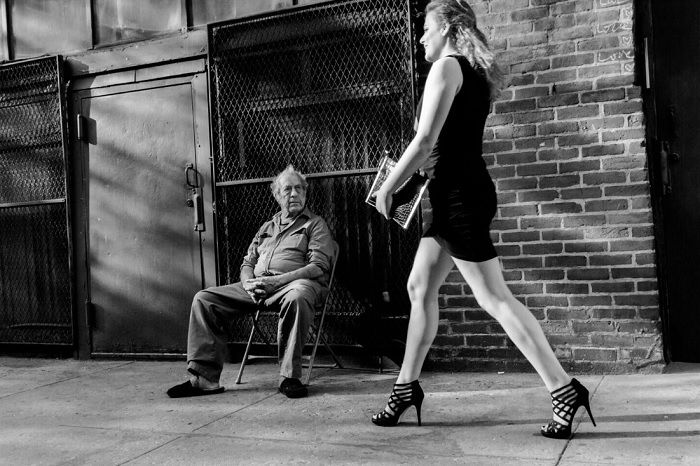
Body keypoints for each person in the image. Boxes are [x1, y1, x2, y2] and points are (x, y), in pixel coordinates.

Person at [370, 0, 596, 439]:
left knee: (494, 298)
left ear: (449, 30)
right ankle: (405, 388)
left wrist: (387, 187)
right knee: (419, 286)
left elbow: (424, 142)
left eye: (427, 29)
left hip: (457, 199)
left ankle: (563, 388)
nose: (421, 38)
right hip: (457, 194)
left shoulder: (448, 68)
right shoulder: (470, 73)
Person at [168, 165, 335, 399]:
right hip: (257, 287)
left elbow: (318, 267)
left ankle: (290, 377)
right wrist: (248, 284)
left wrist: (276, 282)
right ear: (277, 196)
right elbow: (247, 263)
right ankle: (203, 379)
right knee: (204, 299)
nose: (294, 194)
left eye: (299, 189)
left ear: (306, 193)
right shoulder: (267, 227)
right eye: (287, 189)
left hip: (292, 286)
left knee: (299, 295)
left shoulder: (314, 225)